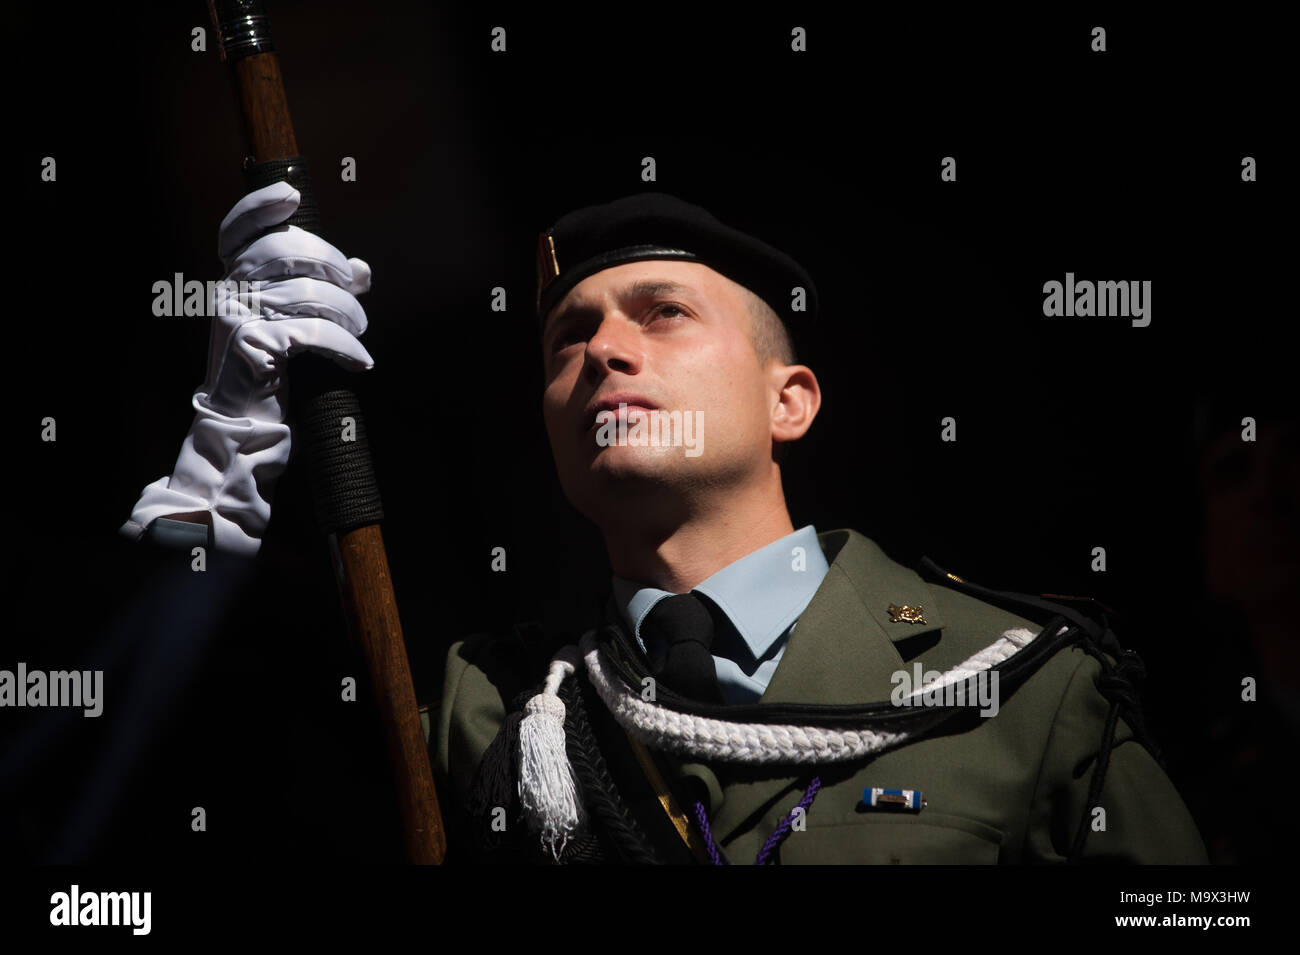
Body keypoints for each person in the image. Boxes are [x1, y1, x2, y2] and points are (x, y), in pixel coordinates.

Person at [121, 185, 1209, 865]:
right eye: (567, 337)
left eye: (663, 314)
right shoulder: (483, 714)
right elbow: (157, 763)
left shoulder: (1019, 684)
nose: (601, 350)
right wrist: (227, 449)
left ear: (791, 400)